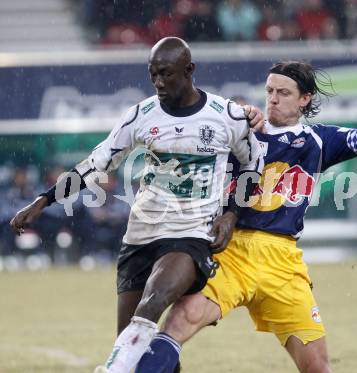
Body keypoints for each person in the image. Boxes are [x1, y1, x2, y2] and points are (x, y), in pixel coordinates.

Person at [134, 47, 357, 373]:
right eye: (270, 91)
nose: (273, 99)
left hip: (283, 262)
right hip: (232, 250)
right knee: (177, 325)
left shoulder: (318, 141)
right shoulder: (240, 129)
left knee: (317, 366)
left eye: (284, 93)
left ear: (304, 100)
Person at [9, 36, 264, 373]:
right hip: (141, 234)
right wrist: (42, 201)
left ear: (190, 70)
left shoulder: (227, 116)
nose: (158, 82)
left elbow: (253, 164)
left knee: (152, 304)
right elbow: (95, 164)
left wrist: (232, 214)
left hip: (191, 233)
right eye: (153, 74)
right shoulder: (141, 115)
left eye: (166, 74)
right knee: (136, 346)